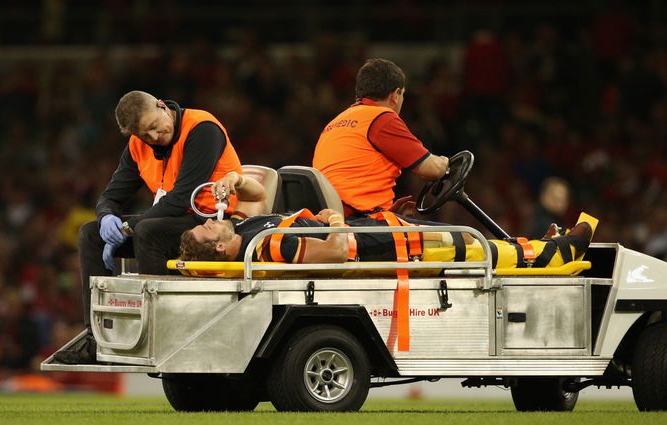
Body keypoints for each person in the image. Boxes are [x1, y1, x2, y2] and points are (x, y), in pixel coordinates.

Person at [54, 90, 243, 364]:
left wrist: (127, 227)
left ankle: (158, 332)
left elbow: (180, 200)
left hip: (210, 223)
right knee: (90, 234)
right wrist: (108, 217)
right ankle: (95, 338)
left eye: (155, 127)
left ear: (162, 107)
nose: (154, 138)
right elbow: (111, 196)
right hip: (173, 223)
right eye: (145, 135)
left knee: (147, 230)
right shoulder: (137, 145)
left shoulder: (202, 129)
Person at [179, 171, 593, 269]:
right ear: (217, 246)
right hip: (378, 243)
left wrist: (233, 181)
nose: (211, 220)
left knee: (470, 244)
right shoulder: (266, 246)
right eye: (207, 227)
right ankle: (551, 255)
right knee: (471, 248)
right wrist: (334, 217)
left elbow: (255, 194)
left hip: (380, 230)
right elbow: (337, 252)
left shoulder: (247, 229)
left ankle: (540, 245)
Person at [312, 58, 450, 218]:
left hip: (336, 217)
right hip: (361, 222)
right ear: (395, 96)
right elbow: (433, 169)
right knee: (465, 237)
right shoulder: (382, 119)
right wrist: (445, 163)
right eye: (402, 94)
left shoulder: (335, 123)